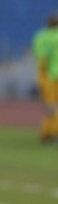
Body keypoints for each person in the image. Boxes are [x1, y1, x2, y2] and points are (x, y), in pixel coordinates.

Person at [32, 14, 58, 143]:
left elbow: (41, 57)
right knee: (53, 107)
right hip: (52, 74)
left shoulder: (41, 36)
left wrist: (41, 76)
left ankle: (48, 133)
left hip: (48, 75)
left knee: (50, 106)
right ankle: (52, 133)